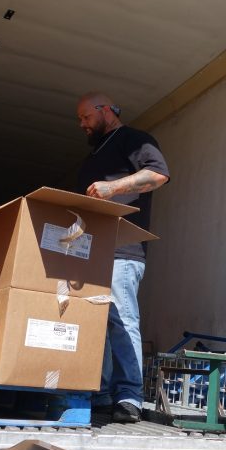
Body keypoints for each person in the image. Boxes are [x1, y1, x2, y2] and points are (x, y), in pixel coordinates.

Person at [75, 92, 170, 423]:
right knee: (95, 322)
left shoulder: (135, 140)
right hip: (92, 252)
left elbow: (158, 175)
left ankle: (129, 396)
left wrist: (112, 188)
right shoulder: (94, 156)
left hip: (123, 250)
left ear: (105, 111)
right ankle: (100, 392)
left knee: (120, 318)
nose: (82, 125)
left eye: (86, 117)